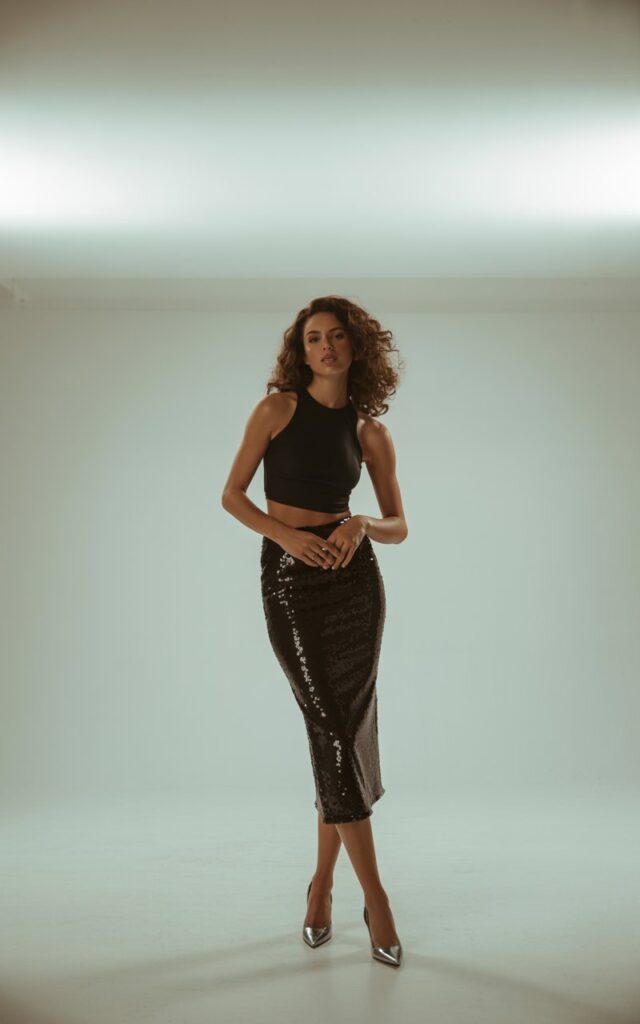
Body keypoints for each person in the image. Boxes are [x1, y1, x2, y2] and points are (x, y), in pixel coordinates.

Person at [221, 296, 408, 968]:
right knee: (331, 727)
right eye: (313, 339)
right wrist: (288, 538)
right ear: (300, 352)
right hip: (291, 582)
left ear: (355, 347)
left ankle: (324, 884)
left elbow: (399, 523)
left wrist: (358, 525)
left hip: (356, 586)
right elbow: (233, 494)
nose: (325, 347)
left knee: (340, 735)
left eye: (336, 337)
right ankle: (378, 899)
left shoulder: (370, 432)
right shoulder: (276, 410)